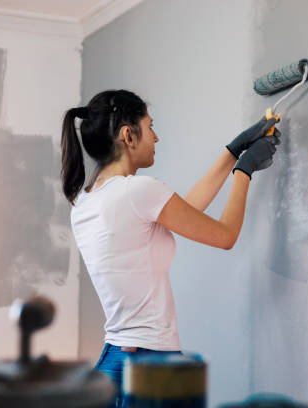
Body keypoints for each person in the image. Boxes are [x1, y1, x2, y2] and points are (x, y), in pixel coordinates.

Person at [60, 89, 280, 405]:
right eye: (150, 127)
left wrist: (232, 152)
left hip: (115, 362)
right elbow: (225, 236)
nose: (156, 138)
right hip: (152, 365)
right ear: (128, 135)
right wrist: (244, 171)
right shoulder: (138, 191)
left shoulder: (84, 201)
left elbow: (185, 211)